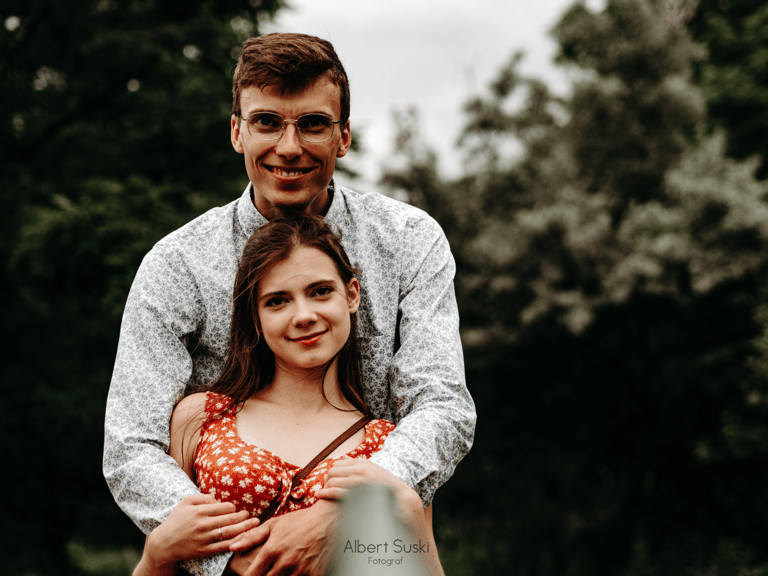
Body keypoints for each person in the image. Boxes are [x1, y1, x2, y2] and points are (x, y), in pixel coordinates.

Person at [104, 32, 475, 576]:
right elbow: (131, 445)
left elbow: (442, 405)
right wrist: (234, 556)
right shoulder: (177, 265)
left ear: (344, 135)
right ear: (237, 131)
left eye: (313, 123)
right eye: (267, 122)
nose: (289, 146)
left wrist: (345, 520)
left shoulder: (408, 240)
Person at [132, 215, 443, 576]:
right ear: (256, 317)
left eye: (320, 291)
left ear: (352, 295)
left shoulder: (389, 448)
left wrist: (403, 502)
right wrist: (156, 553)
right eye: (278, 301)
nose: (303, 315)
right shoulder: (201, 418)